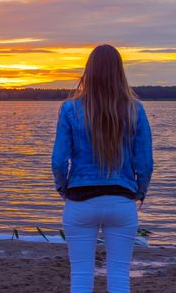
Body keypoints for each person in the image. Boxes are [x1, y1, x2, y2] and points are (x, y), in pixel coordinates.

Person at [51, 44, 153, 293]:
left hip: (80, 201)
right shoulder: (135, 109)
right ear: (119, 72)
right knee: (119, 276)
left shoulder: (69, 109)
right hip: (121, 200)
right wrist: (140, 191)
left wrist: (63, 187)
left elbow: (58, 161)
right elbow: (145, 163)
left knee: (81, 276)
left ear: (89, 71)